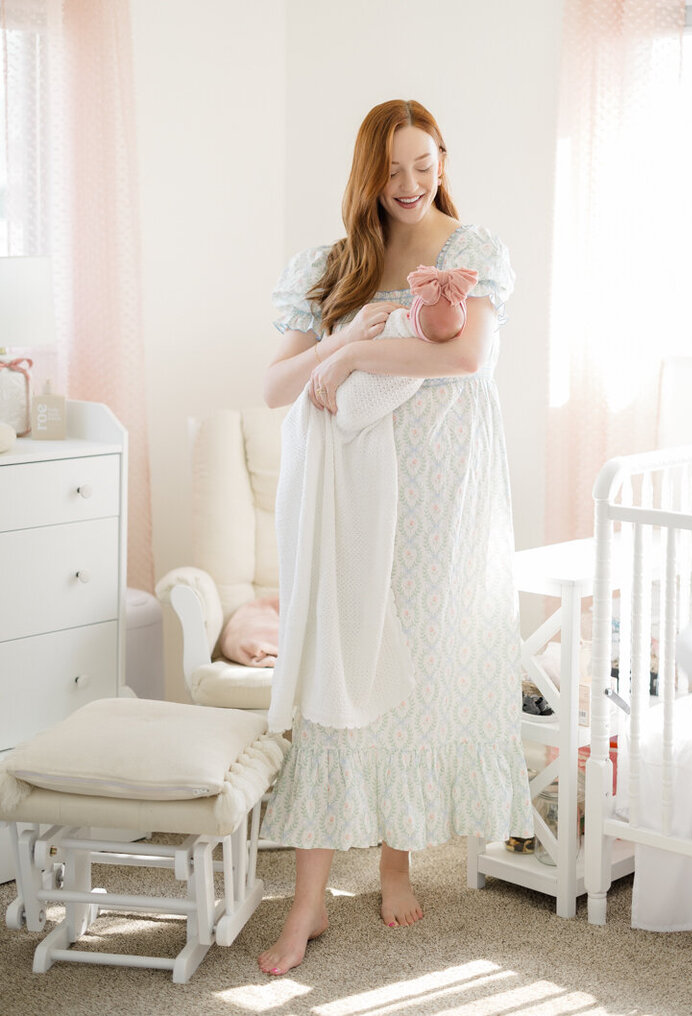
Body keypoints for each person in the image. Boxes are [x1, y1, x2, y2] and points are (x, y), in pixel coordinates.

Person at [258, 99, 533, 977]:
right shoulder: (331, 264)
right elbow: (274, 388)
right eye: (392, 169)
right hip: (345, 491)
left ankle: (396, 860)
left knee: (410, 672)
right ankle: (309, 902)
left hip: (440, 491)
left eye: (424, 163)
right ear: (366, 174)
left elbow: (466, 360)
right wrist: (334, 347)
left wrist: (347, 359)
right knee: (338, 679)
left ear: (442, 159)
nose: (410, 185)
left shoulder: (470, 251)